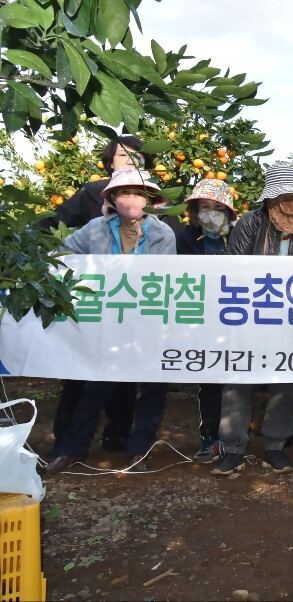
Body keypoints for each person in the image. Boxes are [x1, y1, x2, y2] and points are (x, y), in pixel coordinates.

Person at [45, 167, 177, 473]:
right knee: (96, 386)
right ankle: (73, 449)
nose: (131, 199)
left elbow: (164, 277)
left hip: (149, 321)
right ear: (113, 199)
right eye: (124, 193)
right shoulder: (96, 229)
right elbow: (62, 252)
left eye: (138, 194)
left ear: (149, 200)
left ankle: (139, 450)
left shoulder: (162, 234)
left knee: (153, 388)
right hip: (110, 322)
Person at [40, 136, 153, 458]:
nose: (130, 160)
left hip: (136, 305)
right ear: (110, 161)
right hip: (94, 304)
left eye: (137, 156)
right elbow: (57, 227)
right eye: (122, 155)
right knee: (83, 373)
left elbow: (168, 260)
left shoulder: (158, 216)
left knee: (126, 376)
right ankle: (68, 442)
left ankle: (117, 435)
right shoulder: (92, 198)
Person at [212, 161, 293, 476]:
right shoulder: (249, 224)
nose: (289, 205)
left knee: (286, 381)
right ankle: (233, 448)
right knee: (237, 379)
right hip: (248, 316)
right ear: (270, 201)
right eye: (282, 198)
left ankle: (275, 445)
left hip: (291, 320)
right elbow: (234, 269)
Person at [175, 178, 238, 463]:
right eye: (204, 207)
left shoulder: (237, 237)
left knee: (236, 379)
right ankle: (210, 437)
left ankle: (234, 437)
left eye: (217, 207)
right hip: (202, 320)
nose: (210, 213)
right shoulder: (184, 238)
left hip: (236, 318)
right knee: (209, 380)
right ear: (194, 211)